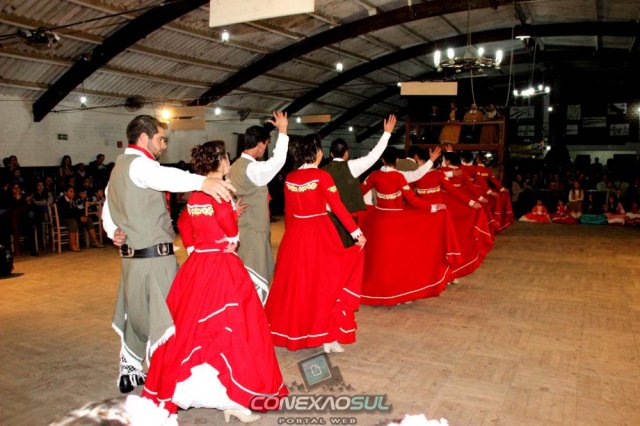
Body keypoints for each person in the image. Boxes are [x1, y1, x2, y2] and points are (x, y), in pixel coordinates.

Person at [141, 141, 286, 424]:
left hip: (199, 262)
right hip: (221, 263)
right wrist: (232, 234)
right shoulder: (219, 191)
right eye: (227, 158)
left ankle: (202, 393)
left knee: (192, 325)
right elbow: (224, 222)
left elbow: (184, 223)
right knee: (231, 326)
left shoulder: (196, 193)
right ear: (220, 162)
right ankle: (231, 399)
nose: (229, 162)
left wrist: (193, 246)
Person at [102, 115, 233, 394]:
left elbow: (108, 209)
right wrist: (203, 182)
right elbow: (165, 177)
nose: (163, 145)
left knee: (136, 315)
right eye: (161, 139)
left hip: (131, 260)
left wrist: (113, 231)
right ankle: (165, 378)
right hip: (155, 259)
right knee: (169, 317)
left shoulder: (117, 170)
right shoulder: (141, 165)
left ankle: (129, 371)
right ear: (144, 137)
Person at [265, 135, 366, 353]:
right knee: (326, 285)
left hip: (295, 237)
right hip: (320, 235)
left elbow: (289, 213)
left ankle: (309, 333)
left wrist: (289, 239)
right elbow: (337, 206)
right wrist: (356, 232)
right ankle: (327, 335)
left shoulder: (290, 178)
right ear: (317, 152)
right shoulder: (322, 176)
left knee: (302, 288)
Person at [358, 146, 462, 306]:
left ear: (382, 160)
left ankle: (383, 292)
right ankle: (400, 294)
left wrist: (369, 207)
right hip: (397, 223)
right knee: (400, 259)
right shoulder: (399, 176)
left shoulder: (374, 175)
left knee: (382, 261)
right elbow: (413, 200)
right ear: (397, 160)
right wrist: (432, 207)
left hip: (379, 222)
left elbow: (359, 191)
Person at [228, 112, 289, 304]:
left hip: (240, 229)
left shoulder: (234, 167)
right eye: (266, 144)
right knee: (256, 279)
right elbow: (278, 161)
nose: (265, 148)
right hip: (254, 231)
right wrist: (283, 130)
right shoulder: (253, 169)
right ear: (261, 144)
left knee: (242, 275)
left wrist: (233, 207)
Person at [322, 114, 396, 247]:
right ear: (346, 153)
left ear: (331, 154)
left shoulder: (321, 171)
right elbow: (373, 156)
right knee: (349, 251)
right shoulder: (352, 166)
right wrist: (386, 134)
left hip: (327, 220)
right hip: (349, 220)